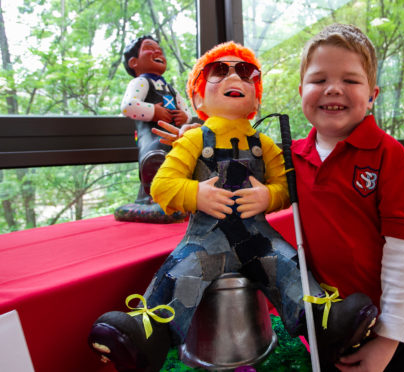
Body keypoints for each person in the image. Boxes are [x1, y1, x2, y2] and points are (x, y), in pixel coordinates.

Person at [88, 41, 377, 372]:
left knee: (289, 267)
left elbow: (287, 186)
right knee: (180, 271)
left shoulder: (265, 144)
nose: (234, 77)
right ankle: (149, 335)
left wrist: (268, 197)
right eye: (219, 71)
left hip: (258, 239)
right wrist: (196, 193)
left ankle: (323, 323)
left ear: (256, 98)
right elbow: (162, 186)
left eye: (245, 72)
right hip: (205, 240)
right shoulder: (193, 140)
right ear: (197, 97)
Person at [293, 23, 404, 372]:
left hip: (388, 326)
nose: (333, 89)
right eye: (319, 80)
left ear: (372, 95)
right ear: (301, 90)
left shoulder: (390, 156)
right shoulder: (288, 158)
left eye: (350, 81)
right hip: (326, 321)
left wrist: (388, 338)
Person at [114, 35, 192, 223]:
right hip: (151, 138)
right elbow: (128, 106)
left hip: (173, 139)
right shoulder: (140, 83)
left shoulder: (170, 88)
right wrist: (153, 111)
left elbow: (187, 111)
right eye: (149, 47)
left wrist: (184, 117)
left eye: (160, 49)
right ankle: (153, 199)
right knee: (157, 158)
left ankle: (180, 197)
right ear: (134, 62)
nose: (158, 52)